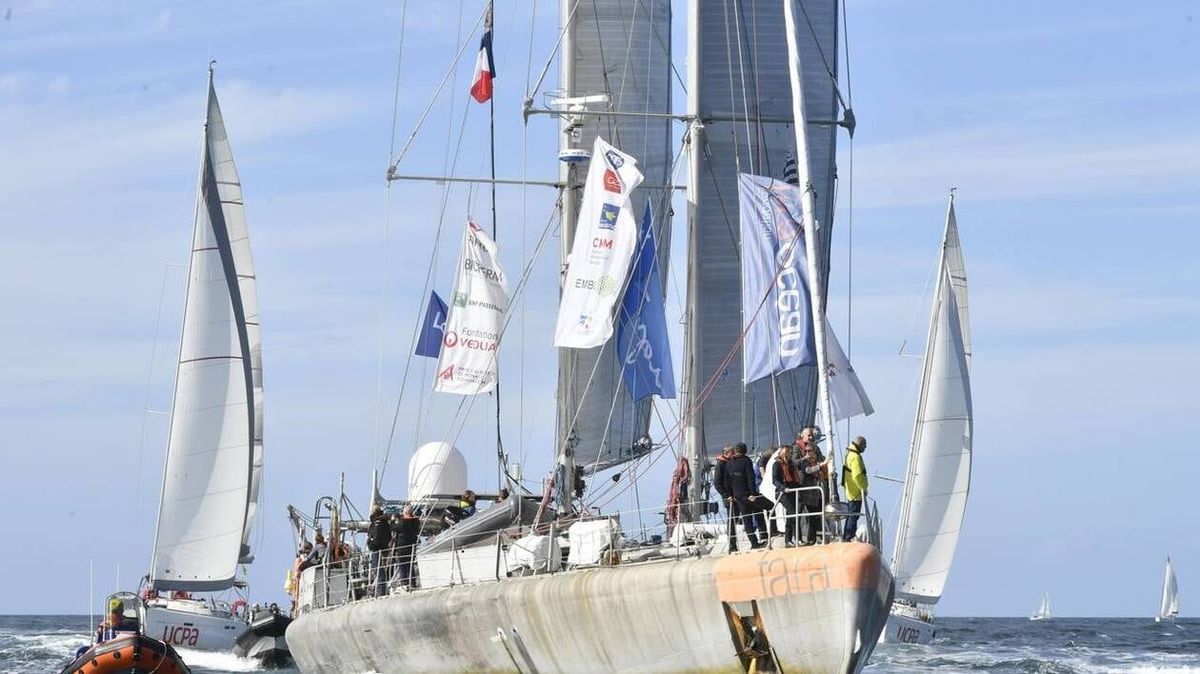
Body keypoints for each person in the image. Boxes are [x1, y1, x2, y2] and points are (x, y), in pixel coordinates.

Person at [721, 442, 766, 550]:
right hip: (746, 495)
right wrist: (753, 493)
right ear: (745, 451)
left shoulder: (729, 463)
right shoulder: (746, 461)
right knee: (749, 519)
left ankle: (749, 543)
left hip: (736, 496)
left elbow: (727, 481)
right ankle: (757, 540)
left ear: (736, 451)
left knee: (744, 520)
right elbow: (751, 478)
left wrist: (730, 494)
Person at [771, 445, 803, 546]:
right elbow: (775, 480)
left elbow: (795, 476)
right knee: (793, 513)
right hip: (783, 493)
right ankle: (791, 539)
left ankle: (794, 539)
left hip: (793, 490)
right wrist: (783, 488)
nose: (791, 454)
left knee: (792, 514)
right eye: (789, 452)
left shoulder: (791, 464)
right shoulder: (777, 464)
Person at [841, 436, 869, 541]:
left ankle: (847, 535)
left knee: (851, 514)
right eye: (864, 445)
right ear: (860, 444)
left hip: (850, 489)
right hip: (855, 491)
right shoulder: (855, 457)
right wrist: (863, 488)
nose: (865, 447)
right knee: (854, 515)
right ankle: (848, 536)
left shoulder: (849, 454)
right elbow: (857, 475)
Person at [391, 505, 421, 589]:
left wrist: (393, 520)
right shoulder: (416, 521)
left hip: (402, 548)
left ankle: (404, 584)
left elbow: (393, 527)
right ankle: (412, 583)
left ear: (406, 513)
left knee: (402, 566)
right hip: (411, 546)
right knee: (410, 565)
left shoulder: (403, 523)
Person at [366, 506, 393, 596]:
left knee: (379, 570)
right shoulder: (384, 522)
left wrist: (370, 543)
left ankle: (381, 591)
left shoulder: (378, 523)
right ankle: (380, 589)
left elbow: (376, 537)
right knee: (378, 570)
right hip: (382, 548)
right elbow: (389, 536)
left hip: (377, 549)